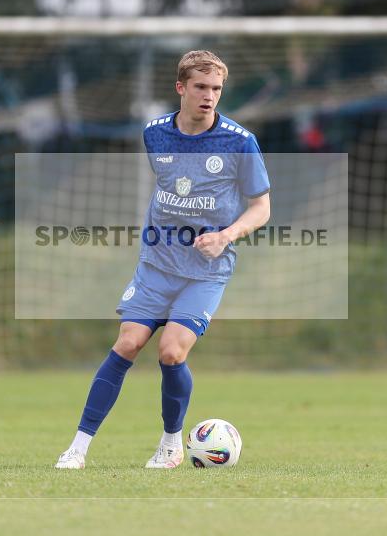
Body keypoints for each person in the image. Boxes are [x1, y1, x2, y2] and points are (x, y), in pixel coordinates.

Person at [55, 50, 271, 469]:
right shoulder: (154, 133)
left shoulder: (239, 141)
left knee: (171, 352)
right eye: (201, 87)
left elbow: (261, 207)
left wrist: (225, 235)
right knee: (128, 342)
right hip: (156, 264)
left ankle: (171, 444)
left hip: (206, 272)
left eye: (216, 89)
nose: (209, 96)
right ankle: (77, 449)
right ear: (181, 88)